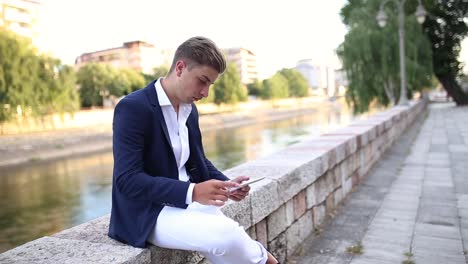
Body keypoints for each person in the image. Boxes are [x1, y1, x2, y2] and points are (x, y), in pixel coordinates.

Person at [108, 36, 279, 264]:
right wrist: (193, 192)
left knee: (231, 236)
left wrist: (227, 184)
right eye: (202, 81)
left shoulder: (190, 108)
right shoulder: (133, 107)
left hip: (187, 203)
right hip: (148, 212)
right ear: (180, 67)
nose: (206, 92)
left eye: (210, 84)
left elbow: (197, 160)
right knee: (227, 237)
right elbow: (127, 180)